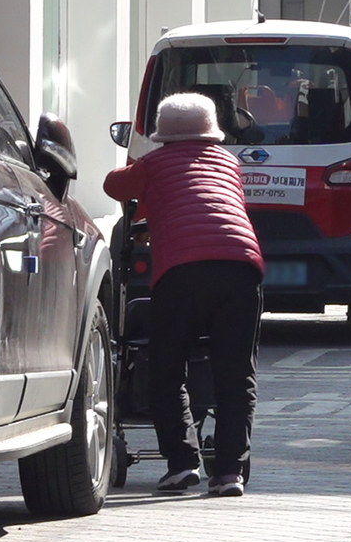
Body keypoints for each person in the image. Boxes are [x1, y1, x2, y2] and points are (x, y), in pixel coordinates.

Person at [103, 93, 264, 498]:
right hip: (240, 266)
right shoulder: (229, 163)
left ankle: (182, 462)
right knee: (236, 373)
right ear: (211, 132)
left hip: (181, 272)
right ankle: (229, 472)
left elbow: (113, 186)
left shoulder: (154, 163)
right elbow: (204, 204)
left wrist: (138, 175)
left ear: (163, 136)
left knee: (168, 367)